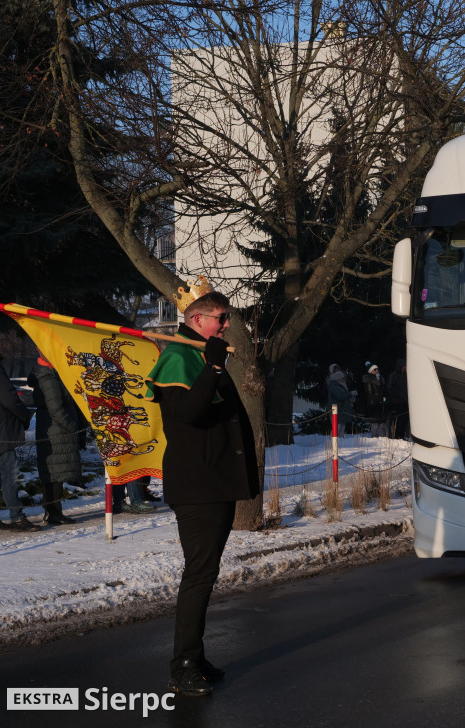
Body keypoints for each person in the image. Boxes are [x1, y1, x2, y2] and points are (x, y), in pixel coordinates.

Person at [145, 285, 259, 697]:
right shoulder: (179, 357)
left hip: (216, 480)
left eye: (226, 318)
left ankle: (195, 654)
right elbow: (189, 414)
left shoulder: (203, 354)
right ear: (197, 321)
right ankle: (183, 665)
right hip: (197, 484)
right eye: (220, 319)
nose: (227, 325)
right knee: (199, 574)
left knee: (206, 573)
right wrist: (211, 371)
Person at [28, 357, 85, 525]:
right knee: (55, 474)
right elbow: (56, 409)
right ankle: (54, 513)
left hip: (54, 429)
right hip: (56, 431)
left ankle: (53, 512)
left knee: (53, 473)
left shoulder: (49, 373)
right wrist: (73, 426)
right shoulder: (47, 376)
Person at [0, 338, 42, 531]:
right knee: (9, 474)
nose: (1, 344)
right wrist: (24, 417)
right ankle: (16, 517)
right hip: (1, 429)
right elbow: (9, 399)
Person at [326, 364, 353, 438]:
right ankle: (333, 442)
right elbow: (340, 396)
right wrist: (350, 394)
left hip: (341, 408)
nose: (342, 379)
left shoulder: (340, 385)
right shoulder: (334, 386)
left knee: (342, 426)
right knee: (337, 426)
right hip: (337, 408)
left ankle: (340, 442)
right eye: (341, 377)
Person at [361, 362, 387, 437]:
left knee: (382, 421)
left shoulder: (380, 378)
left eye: (377, 369)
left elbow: (383, 390)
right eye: (374, 369)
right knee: (375, 421)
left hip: (381, 403)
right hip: (374, 403)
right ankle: (374, 436)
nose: (377, 370)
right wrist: (379, 399)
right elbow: (370, 393)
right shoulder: (369, 380)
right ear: (370, 371)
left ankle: (383, 437)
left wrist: (384, 398)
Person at [387, 358, 409, 440]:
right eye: (404, 366)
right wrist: (399, 395)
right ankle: (395, 436)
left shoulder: (407, 375)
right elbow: (390, 388)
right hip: (397, 402)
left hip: (405, 402)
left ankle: (402, 436)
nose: (406, 368)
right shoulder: (393, 375)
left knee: (405, 420)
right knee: (398, 420)